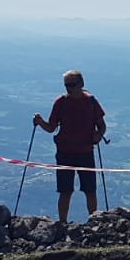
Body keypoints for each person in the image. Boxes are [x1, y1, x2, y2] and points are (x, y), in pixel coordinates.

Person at [32, 70, 107, 223]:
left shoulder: (91, 102)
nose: (69, 88)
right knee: (65, 191)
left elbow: (102, 126)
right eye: (66, 85)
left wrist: (98, 136)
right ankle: (63, 223)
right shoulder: (61, 102)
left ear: (81, 84)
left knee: (90, 191)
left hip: (84, 152)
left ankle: (94, 222)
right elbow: (51, 127)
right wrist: (40, 123)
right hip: (66, 153)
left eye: (72, 85)